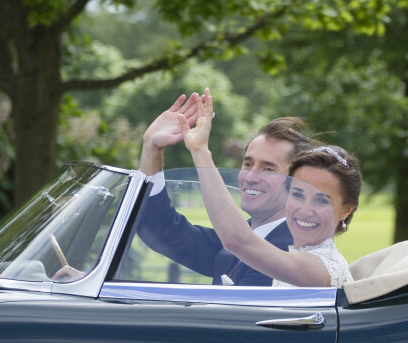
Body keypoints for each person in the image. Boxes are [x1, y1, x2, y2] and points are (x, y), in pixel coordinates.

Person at [132, 89, 316, 286]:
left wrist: (200, 151)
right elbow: (167, 232)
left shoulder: (290, 250)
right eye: (248, 164)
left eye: (268, 169)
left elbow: (238, 245)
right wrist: (151, 148)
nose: (251, 177)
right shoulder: (243, 235)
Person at [179, 92, 360, 288]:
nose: (304, 210)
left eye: (321, 200)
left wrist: (200, 152)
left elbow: (238, 241)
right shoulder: (292, 253)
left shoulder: (322, 268)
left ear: (346, 210)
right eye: (297, 195)